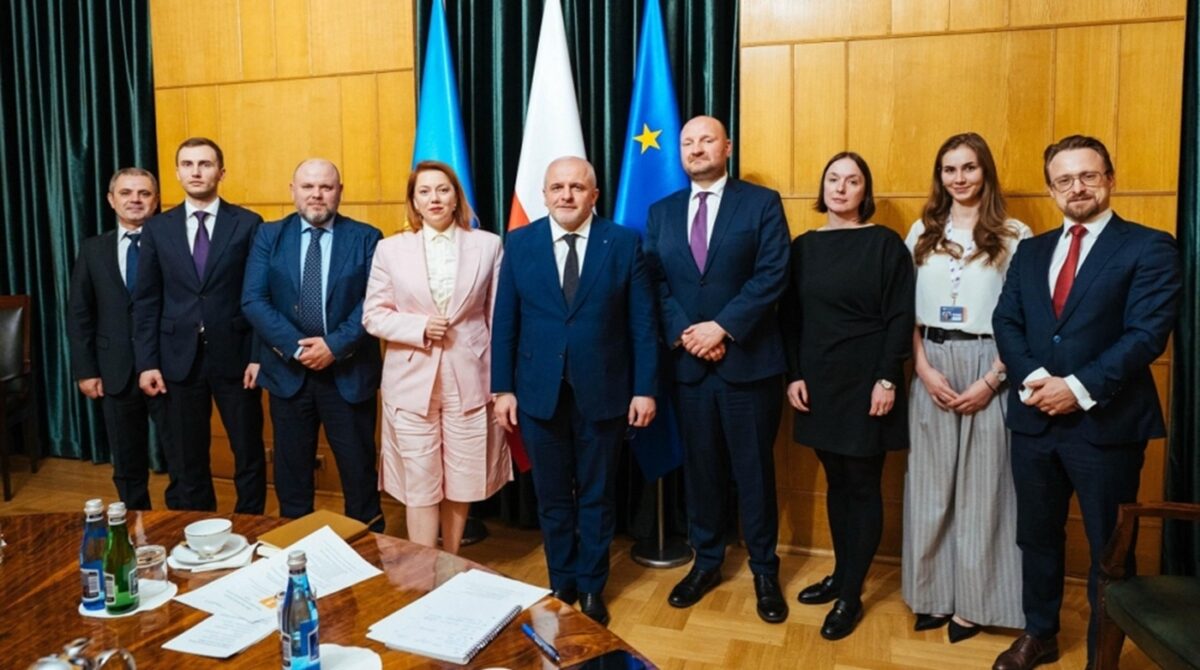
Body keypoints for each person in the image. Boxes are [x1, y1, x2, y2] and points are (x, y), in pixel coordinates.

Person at [991, 135, 1180, 670]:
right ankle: (1039, 633)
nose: (1076, 188)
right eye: (1064, 180)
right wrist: (1037, 380)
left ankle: (1104, 653)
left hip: (1107, 426)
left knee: (1109, 549)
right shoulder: (1031, 251)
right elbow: (1006, 320)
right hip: (1034, 420)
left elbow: (1146, 334)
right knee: (1036, 537)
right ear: (1052, 190)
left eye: (1088, 176)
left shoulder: (1149, 246)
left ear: (1109, 179)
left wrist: (1075, 388)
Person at [491, 156, 657, 626]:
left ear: (594, 195)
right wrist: (502, 388)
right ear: (544, 195)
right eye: (557, 187)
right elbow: (505, 321)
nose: (566, 195)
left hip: (604, 393)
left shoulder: (622, 242)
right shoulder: (519, 243)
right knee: (552, 497)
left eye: (577, 187)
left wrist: (645, 389)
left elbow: (643, 323)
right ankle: (561, 581)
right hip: (537, 394)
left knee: (597, 496)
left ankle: (591, 586)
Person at [644, 115, 791, 624]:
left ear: (727, 147)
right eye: (687, 142)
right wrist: (688, 333)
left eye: (706, 139)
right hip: (689, 366)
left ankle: (765, 570)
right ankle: (706, 562)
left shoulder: (761, 203)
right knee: (701, 472)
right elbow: (654, 281)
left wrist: (722, 328)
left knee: (754, 473)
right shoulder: (661, 212)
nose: (696, 148)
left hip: (747, 365)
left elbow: (773, 273)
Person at [901, 132, 1030, 642]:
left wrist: (993, 379)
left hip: (991, 364)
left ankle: (975, 605)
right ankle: (932, 595)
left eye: (969, 167)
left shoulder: (1014, 234)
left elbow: (1024, 316)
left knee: (984, 491)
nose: (959, 178)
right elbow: (902, 311)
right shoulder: (922, 232)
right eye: (950, 169)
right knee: (930, 488)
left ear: (985, 171)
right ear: (940, 176)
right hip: (931, 360)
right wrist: (922, 368)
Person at [781, 151, 914, 640]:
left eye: (852, 180)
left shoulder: (885, 244)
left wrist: (887, 378)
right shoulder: (803, 247)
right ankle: (841, 574)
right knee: (836, 481)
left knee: (862, 483)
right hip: (818, 382)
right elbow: (790, 318)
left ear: (865, 190)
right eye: (833, 179)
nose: (840, 188)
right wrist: (794, 374)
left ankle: (851, 595)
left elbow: (900, 316)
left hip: (868, 382)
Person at [361, 160, 510, 552]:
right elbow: (373, 315)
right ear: (414, 201)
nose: (435, 198)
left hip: (471, 377)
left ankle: (450, 560)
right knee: (420, 479)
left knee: (462, 478)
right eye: (424, 191)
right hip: (411, 381)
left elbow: (498, 319)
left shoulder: (488, 245)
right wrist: (419, 327)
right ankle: (423, 565)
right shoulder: (390, 249)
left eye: (443, 190)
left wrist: (502, 385)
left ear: (456, 196)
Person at [242, 159, 385, 531]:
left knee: (359, 475)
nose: (317, 194)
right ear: (293, 190)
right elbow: (254, 300)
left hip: (348, 373)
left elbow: (374, 301)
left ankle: (369, 555)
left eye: (326, 187)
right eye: (308, 186)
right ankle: (297, 554)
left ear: (340, 191)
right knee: (291, 479)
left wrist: (333, 346)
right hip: (288, 375)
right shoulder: (269, 236)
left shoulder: (367, 237)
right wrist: (299, 348)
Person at [132, 137, 266, 513]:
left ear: (221, 172)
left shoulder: (248, 224)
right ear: (177, 173)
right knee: (187, 456)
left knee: (248, 452)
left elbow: (259, 295)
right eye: (188, 164)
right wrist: (147, 362)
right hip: (177, 360)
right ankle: (197, 527)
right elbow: (147, 301)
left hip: (236, 357)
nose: (196, 172)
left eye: (204, 164)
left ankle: (251, 523)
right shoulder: (157, 229)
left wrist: (259, 356)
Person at [68, 168, 176, 510]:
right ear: (111, 200)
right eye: (126, 193)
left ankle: (180, 523)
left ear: (155, 201)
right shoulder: (93, 249)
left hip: (167, 367)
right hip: (114, 370)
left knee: (181, 458)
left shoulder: (173, 246)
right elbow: (80, 313)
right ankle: (135, 524)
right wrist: (86, 370)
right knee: (127, 463)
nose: (135, 200)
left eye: (144, 193)